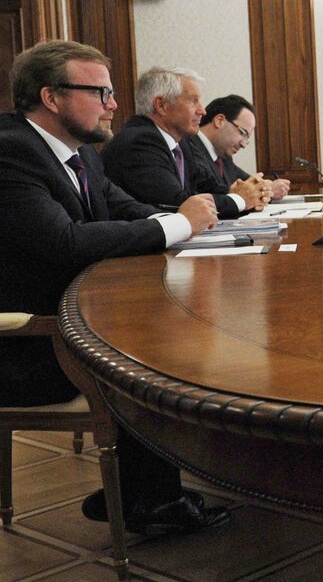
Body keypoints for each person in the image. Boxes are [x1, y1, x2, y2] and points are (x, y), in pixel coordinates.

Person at [0, 40, 228, 534]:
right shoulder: (10, 151)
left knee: (172, 332)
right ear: (52, 97)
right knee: (155, 354)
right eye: (100, 92)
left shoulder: (83, 155)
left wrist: (188, 222)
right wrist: (178, 226)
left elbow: (126, 209)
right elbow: (64, 242)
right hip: (28, 347)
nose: (114, 104)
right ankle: (151, 501)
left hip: (76, 322)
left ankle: (138, 490)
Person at [102, 66, 271, 218]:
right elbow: (177, 203)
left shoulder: (181, 142)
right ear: (161, 105)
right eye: (193, 101)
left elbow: (207, 188)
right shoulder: (140, 141)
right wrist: (239, 199)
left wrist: (248, 192)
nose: (203, 110)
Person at [182, 94, 290, 201]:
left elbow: (250, 183)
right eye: (242, 133)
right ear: (219, 121)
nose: (243, 144)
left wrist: (266, 186)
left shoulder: (224, 158)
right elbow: (212, 194)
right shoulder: (187, 149)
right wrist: (266, 190)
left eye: (247, 138)